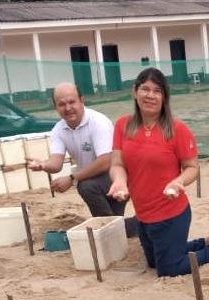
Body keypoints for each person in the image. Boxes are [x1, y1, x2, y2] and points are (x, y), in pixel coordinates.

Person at [108, 68, 209, 277]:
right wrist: (119, 181)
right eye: (145, 89)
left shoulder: (177, 129)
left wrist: (178, 181)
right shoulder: (122, 125)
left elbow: (192, 168)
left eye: (157, 91)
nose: (150, 95)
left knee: (168, 270)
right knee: (154, 262)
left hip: (170, 213)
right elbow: (117, 163)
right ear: (134, 92)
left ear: (164, 97)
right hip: (143, 215)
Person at [27, 82, 137, 237]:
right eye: (62, 104)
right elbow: (56, 163)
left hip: (121, 175)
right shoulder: (59, 129)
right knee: (113, 219)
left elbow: (106, 161)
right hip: (99, 179)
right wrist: (42, 165)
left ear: (82, 100)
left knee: (87, 187)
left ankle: (116, 229)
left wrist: (72, 178)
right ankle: (134, 226)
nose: (68, 108)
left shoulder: (98, 122)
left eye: (72, 102)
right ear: (55, 106)